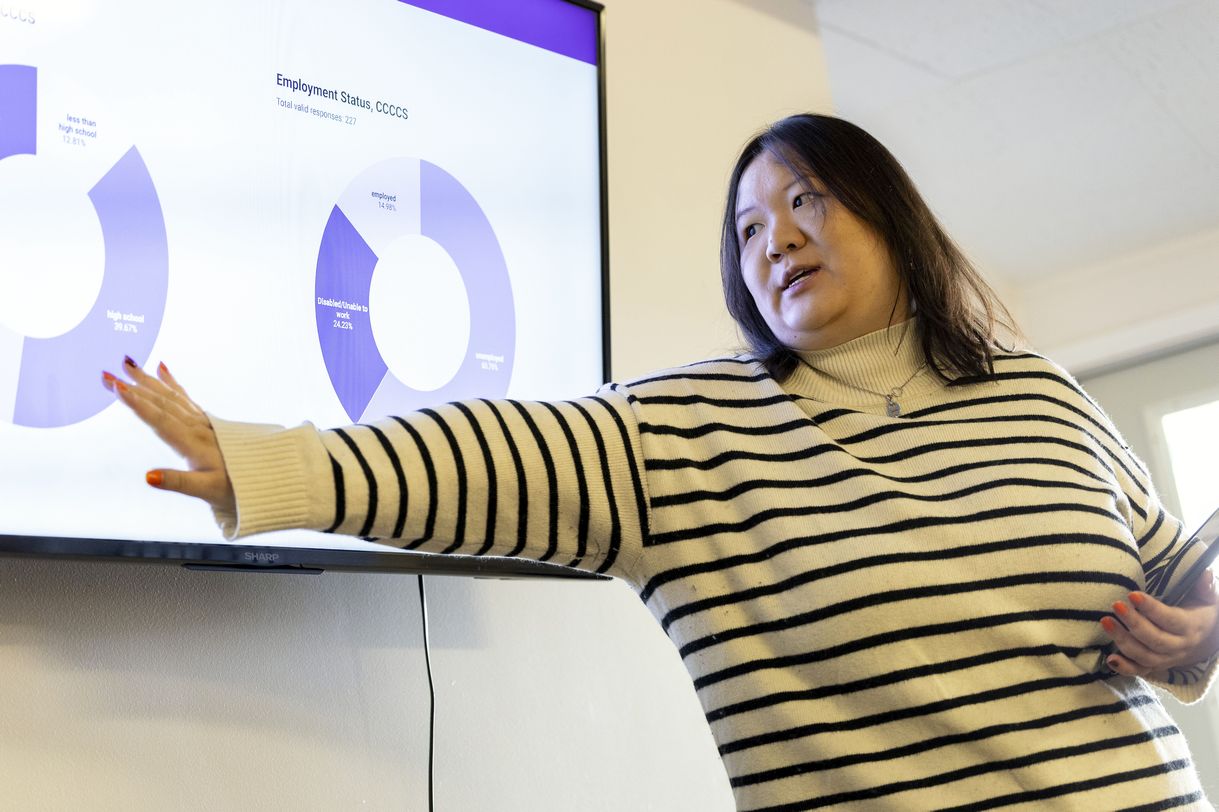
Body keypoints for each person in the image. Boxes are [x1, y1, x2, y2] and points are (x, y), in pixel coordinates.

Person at [104, 114, 1219, 810]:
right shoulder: (686, 429)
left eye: (803, 199)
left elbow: (1178, 572)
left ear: (891, 215)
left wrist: (1202, 629)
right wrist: (260, 461)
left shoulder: (1035, 390)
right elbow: (488, 457)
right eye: (745, 229)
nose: (773, 236)